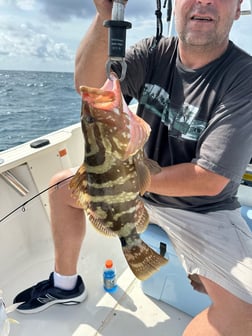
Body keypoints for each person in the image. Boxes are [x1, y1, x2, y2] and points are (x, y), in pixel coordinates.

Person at [14, 0, 252, 334]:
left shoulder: (244, 77)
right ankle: (65, 285)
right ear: (175, 5)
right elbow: (91, 85)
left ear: (238, 8)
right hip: (137, 188)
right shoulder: (154, 52)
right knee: (60, 187)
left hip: (203, 210)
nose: (204, 1)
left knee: (247, 315)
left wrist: (129, 177)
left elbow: (209, 180)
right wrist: (103, 15)